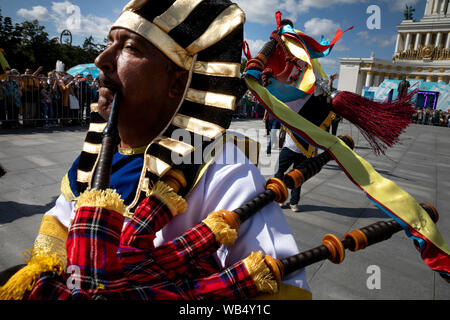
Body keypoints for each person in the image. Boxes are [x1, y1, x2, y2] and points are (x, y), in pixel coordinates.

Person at [0, 0, 310, 300]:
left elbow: (282, 285)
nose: (102, 60)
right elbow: (60, 223)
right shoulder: (90, 160)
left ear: (176, 82)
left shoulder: (223, 169)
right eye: (109, 43)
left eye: (131, 48)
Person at [275, 132, 307, 212]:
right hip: (296, 150)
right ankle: (287, 201)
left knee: (295, 176)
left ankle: (287, 201)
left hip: (296, 150)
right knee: (293, 175)